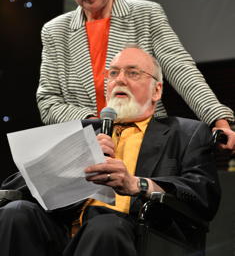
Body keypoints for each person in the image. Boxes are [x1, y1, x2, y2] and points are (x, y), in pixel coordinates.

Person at [0, 46, 220, 255]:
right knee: (16, 212)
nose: (119, 79)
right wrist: (72, 158)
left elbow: (203, 195)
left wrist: (137, 184)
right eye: (113, 73)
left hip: (136, 235)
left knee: (104, 226)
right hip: (66, 232)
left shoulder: (185, 132)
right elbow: (11, 187)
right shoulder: (83, 130)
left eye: (133, 73)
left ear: (157, 90)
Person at [36, 0, 235, 151]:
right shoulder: (55, 32)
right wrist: (96, 122)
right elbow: (48, 101)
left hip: (147, 147)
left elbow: (181, 69)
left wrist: (217, 119)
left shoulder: (146, 15)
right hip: (87, 149)